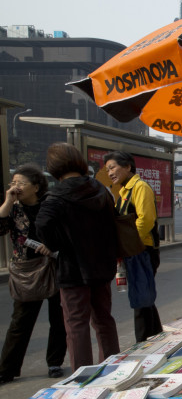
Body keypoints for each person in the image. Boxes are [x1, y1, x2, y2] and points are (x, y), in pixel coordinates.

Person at [36, 142, 120, 371]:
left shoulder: (56, 195)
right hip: (102, 267)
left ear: (53, 167)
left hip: (73, 270)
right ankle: (113, 369)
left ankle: (83, 377)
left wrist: (57, 243)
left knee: (76, 324)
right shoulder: (101, 190)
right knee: (104, 320)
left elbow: (43, 224)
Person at [0, 164, 67, 383]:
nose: (15, 186)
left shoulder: (51, 204)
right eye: (13, 183)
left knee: (58, 317)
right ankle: (7, 369)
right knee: (20, 321)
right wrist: (9, 200)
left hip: (53, 266)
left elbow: (65, 232)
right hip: (26, 271)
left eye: (20, 183)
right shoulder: (14, 208)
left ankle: (55, 362)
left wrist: (53, 246)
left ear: (36, 186)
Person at [105, 151, 163, 342]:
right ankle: (156, 335)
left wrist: (129, 243)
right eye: (107, 170)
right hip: (132, 250)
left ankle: (143, 342)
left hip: (142, 250)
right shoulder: (123, 192)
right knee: (143, 297)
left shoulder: (140, 187)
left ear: (128, 166)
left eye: (113, 167)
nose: (110, 173)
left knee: (141, 299)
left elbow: (145, 220)